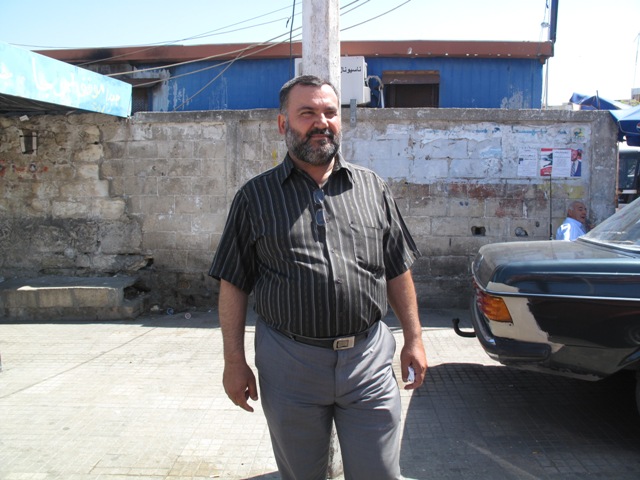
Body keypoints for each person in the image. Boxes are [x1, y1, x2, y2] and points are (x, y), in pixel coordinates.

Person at [208, 75, 428, 480]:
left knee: (379, 473)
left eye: (330, 112)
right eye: (307, 113)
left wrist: (413, 338)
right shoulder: (255, 198)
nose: (321, 122)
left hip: (368, 361)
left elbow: (398, 267)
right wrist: (234, 362)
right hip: (289, 364)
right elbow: (233, 282)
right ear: (283, 124)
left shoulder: (372, 188)